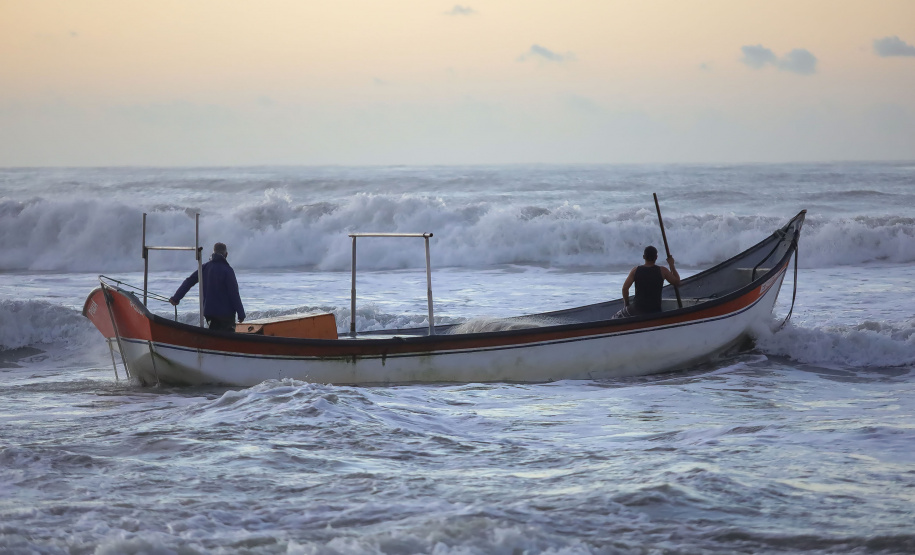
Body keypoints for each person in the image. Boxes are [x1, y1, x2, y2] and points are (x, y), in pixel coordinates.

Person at [170, 242, 245, 332]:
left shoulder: (204, 268)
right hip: (225, 315)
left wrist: (176, 298)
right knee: (226, 339)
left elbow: (189, 281)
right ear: (226, 254)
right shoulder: (227, 270)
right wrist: (241, 313)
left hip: (209, 312)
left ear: (213, 253)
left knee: (214, 335)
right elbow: (234, 293)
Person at [614, 245, 680, 319]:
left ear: (643, 257)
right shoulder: (663, 271)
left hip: (637, 310)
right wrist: (671, 265)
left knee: (615, 318)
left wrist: (626, 304)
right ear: (656, 257)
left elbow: (625, 289)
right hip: (654, 310)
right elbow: (677, 282)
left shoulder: (635, 270)